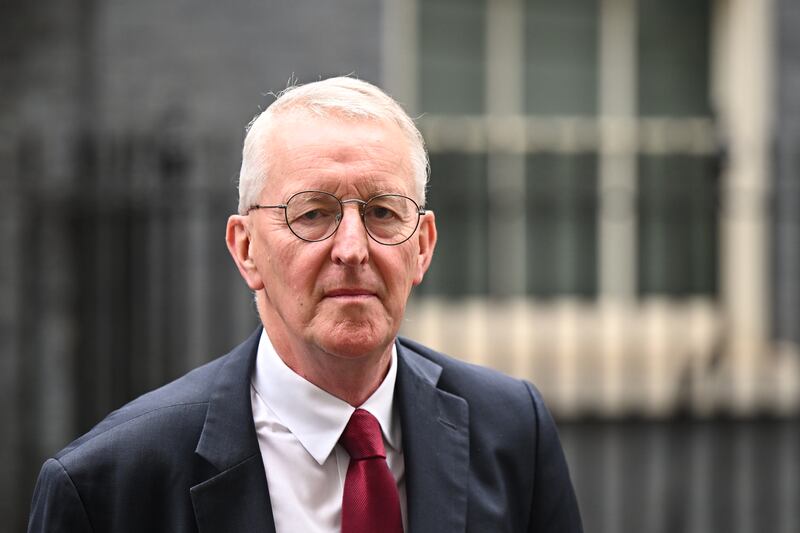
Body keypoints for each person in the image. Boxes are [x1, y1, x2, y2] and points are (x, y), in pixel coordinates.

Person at [27, 77, 583, 532]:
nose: (351, 249)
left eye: (383, 212)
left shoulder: (512, 431)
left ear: (422, 246)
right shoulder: (110, 486)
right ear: (246, 249)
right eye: (312, 213)